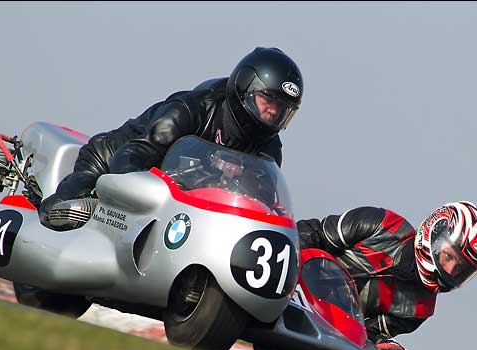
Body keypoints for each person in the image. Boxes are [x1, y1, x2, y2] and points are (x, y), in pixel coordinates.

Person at [38, 47, 303, 228]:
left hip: (182, 205)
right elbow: (131, 157)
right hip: (109, 165)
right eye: (268, 100)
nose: (273, 112)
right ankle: (44, 216)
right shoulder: (190, 110)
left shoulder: (269, 149)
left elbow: (260, 204)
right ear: (246, 89)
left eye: (282, 108)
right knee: (73, 205)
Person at [297, 201, 477, 350]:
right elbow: (312, 233)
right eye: (449, 257)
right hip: (286, 283)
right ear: (433, 233)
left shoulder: (419, 310)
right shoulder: (380, 224)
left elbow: (361, 336)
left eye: (460, 269)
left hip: (310, 330)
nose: (450, 271)